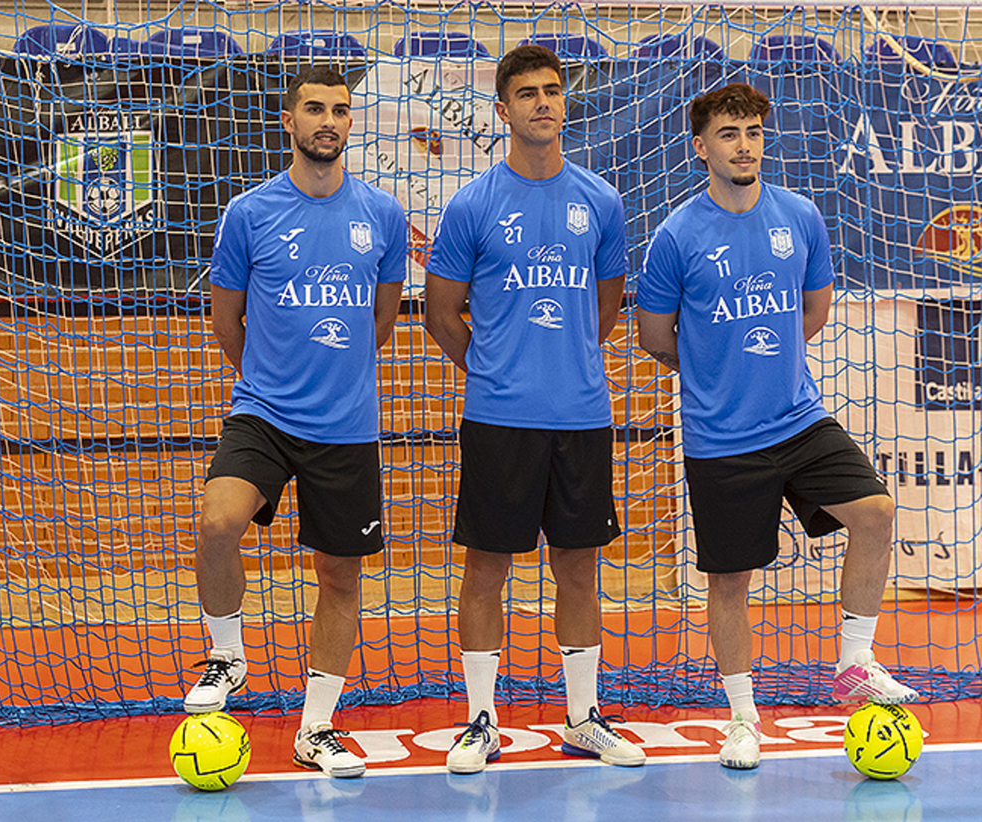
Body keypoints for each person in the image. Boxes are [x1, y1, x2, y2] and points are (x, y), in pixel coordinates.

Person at [636, 83, 918, 771]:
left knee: (876, 512)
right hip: (721, 436)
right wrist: (715, 369)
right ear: (700, 148)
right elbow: (653, 337)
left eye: (754, 131)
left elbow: (813, 313)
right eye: (729, 134)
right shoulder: (677, 235)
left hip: (797, 417)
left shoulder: (799, 216)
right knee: (730, 582)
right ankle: (742, 718)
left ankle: (855, 662)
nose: (745, 144)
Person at [425, 44, 645, 775]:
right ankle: (481, 720)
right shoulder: (472, 203)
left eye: (552, 90)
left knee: (578, 569)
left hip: (582, 416)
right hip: (499, 417)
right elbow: (441, 312)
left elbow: (608, 307)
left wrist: (564, 358)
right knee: (487, 568)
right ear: (503, 110)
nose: (543, 102)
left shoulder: (601, 200)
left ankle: (582, 718)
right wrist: (496, 367)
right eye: (527, 93)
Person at [183, 66, 406, 779]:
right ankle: (227, 654)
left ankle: (317, 729)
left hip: (346, 426)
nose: (329, 121)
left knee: (340, 577)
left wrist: (334, 378)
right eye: (315, 109)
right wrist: (272, 379)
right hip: (265, 413)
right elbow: (225, 318)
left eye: (340, 110)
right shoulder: (249, 213)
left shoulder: (384, 215)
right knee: (218, 521)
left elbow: (382, 319)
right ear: (288, 120)